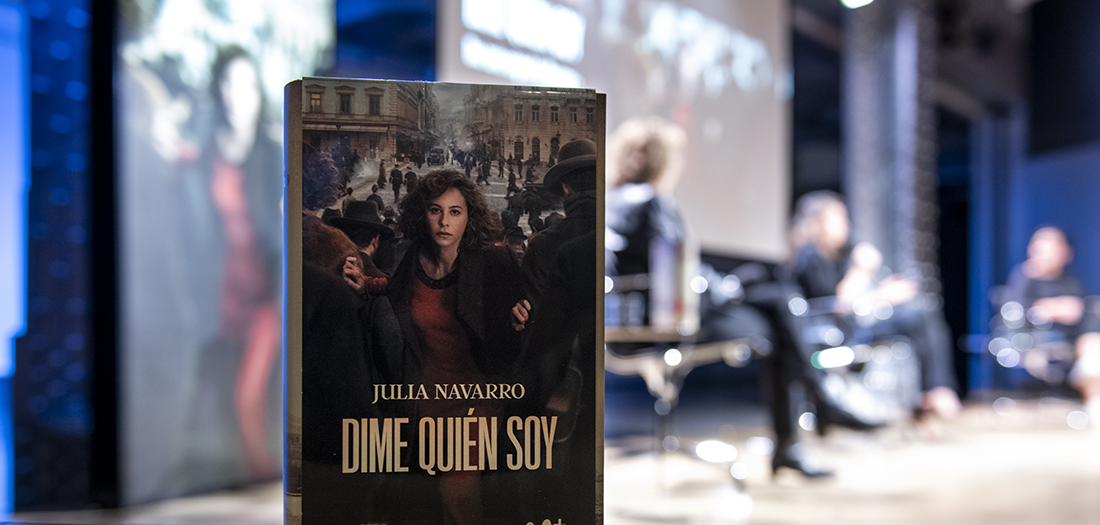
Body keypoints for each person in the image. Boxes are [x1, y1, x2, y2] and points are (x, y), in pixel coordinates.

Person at [385, 169, 524, 525]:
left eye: (455, 212)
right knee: (435, 501)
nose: (444, 222)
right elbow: (394, 291)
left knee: (457, 494)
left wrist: (521, 317)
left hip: (478, 396)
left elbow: (524, 311)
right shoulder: (411, 257)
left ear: (469, 218)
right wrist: (364, 282)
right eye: (435, 210)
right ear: (423, 214)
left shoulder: (494, 262)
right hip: (427, 398)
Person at [789, 191, 962, 419]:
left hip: (853, 328)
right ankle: (936, 391)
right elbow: (839, 305)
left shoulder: (836, 257)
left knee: (920, 314)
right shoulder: (809, 257)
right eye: (838, 218)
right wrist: (867, 274)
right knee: (917, 317)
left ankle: (934, 391)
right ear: (817, 222)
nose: (845, 225)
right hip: (834, 335)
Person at [1002, 227, 1100, 416]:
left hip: (1074, 339)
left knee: (1093, 319)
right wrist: (1049, 309)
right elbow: (1015, 313)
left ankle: (1092, 378)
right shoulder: (1023, 278)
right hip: (1036, 339)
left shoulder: (1070, 283)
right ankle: (1093, 392)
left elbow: (1079, 309)